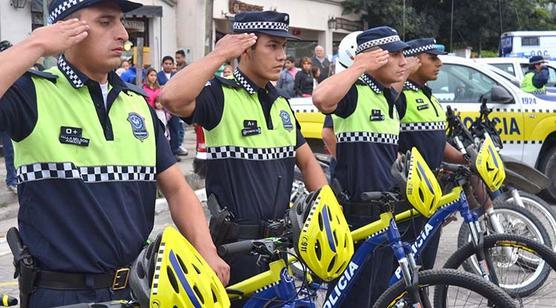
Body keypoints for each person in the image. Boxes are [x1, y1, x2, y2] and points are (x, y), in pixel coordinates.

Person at [0, 1, 228, 307]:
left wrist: (207, 251)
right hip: (61, 295)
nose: (123, 33)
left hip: (137, 290)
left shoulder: (136, 103)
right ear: (67, 31)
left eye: (122, 22)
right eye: (106, 22)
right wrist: (37, 43)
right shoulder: (32, 93)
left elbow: (176, 188)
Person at [160, 10, 327, 291]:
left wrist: (325, 216)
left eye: (283, 47)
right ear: (245, 50)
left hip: (279, 246)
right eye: (272, 46)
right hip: (235, 251)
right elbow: (171, 98)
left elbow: (309, 164)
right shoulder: (219, 94)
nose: (281, 56)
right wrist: (218, 56)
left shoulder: (281, 105)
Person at [312, 26, 409, 306]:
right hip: (359, 216)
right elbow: (321, 98)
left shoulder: (387, 96)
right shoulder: (355, 92)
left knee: (376, 295)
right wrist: (359, 65)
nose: (403, 61)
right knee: (354, 299)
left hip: (384, 213)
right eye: (395, 55)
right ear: (374, 58)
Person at [397, 38, 467, 270]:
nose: (440, 63)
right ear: (415, 61)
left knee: (426, 264)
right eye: (433, 58)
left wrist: (465, 159)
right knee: (408, 265)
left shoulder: (430, 97)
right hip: (408, 194)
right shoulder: (399, 97)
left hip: (432, 190)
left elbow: (438, 142)